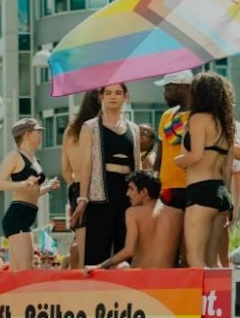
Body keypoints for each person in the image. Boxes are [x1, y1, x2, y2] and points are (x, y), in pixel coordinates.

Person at [71, 83, 142, 267]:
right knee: (97, 251)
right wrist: (82, 199)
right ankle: (94, 292)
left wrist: (142, 198)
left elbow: (138, 166)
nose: (113, 97)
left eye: (118, 93)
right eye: (108, 93)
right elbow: (85, 165)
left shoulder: (133, 129)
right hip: (100, 193)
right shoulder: (90, 127)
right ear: (101, 97)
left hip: (128, 194)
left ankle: (125, 291)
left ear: (125, 96)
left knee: (126, 250)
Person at [175, 72, 235, 267]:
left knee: (195, 259)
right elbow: (228, 166)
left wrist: (178, 160)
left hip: (200, 191)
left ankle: (202, 299)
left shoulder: (198, 119)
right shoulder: (227, 123)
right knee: (213, 261)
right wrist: (230, 200)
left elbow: (196, 155)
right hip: (221, 194)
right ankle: (220, 298)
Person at [0, 118, 60, 271]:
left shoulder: (34, 159)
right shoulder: (15, 156)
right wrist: (23, 183)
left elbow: (32, 194)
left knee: (18, 271)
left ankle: (11, 295)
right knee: (26, 270)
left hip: (26, 216)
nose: (41, 135)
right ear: (26, 135)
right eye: (38, 132)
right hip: (17, 217)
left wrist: (48, 187)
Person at [84, 171, 182, 271]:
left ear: (144, 192)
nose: (127, 193)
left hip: (140, 279)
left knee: (120, 266)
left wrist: (99, 266)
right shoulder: (178, 214)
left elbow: (129, 251)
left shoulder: (133, 213)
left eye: (131, 189)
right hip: (167, 280)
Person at [155, 71, 194, 260]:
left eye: (168, 88)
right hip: (167, 188)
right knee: (167, 244)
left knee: (189, 242)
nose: (164, 94)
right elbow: (161, 150)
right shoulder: (166, 116)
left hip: (190, 186)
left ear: (182, 87)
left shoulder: (199, 116)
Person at [60, 91, 100, 266]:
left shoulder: (72, 129)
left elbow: (65, 170)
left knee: (82, 244)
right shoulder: (100, 127)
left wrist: (74, 186)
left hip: (77, 188)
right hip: (99, 186)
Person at [217, 120, 240, 267]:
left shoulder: (234, 127)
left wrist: (235, 207)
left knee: (217, 254)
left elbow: (239, 170)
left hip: (218, 195)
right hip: (220, 195)